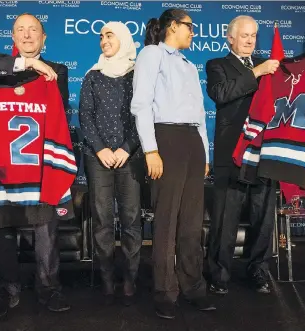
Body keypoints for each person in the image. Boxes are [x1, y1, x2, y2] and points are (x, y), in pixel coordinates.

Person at [206, 15, 305, 295]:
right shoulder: (217, 65)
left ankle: (258, 272)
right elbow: (220, 93)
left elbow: (298, 73)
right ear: (230, 38)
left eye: (253, 35)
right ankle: (219, 275)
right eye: (244, 36)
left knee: (262, 218)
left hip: (265, 153)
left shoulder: (270, 64)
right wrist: (257, 72)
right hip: (233, 155)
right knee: (224, 219)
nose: (250, 40)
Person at [0, 13, 71, 320]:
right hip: (1, 167)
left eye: (34, 31)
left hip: (38, 166)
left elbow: (57, 110)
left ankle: (48, 288)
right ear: (13, 39)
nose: (27, 35)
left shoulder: (57, 71)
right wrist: (28, 64)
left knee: (46, 231)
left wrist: (39, 69)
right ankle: (7, 290)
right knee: (0, 227)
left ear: (44, 39)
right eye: (21, 31)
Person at [131, 9, 214, 319]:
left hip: (192, 141)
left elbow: (200, 115)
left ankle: (193, 287)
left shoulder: (189, 65)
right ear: (173, 26)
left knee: (192, 219)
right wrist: (151, 150)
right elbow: (141, 104)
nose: (194, 32)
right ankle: (165, 291)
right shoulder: (152, 54)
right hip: (166, 137)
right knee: (166, 219)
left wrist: (204, 153)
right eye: (189, 27)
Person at [79, 22, 143, 306]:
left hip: (130, 158)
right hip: (98, 158)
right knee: (103, 220)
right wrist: (102, 149)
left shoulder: (138, 75)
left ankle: (129, 277)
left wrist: (127, 149)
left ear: (124, 40)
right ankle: (106, 277)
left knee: (131, 219)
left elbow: (142, 116)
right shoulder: (92, 76)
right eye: (101, 36)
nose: (103, 40)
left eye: (109, 35)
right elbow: (85, 116)